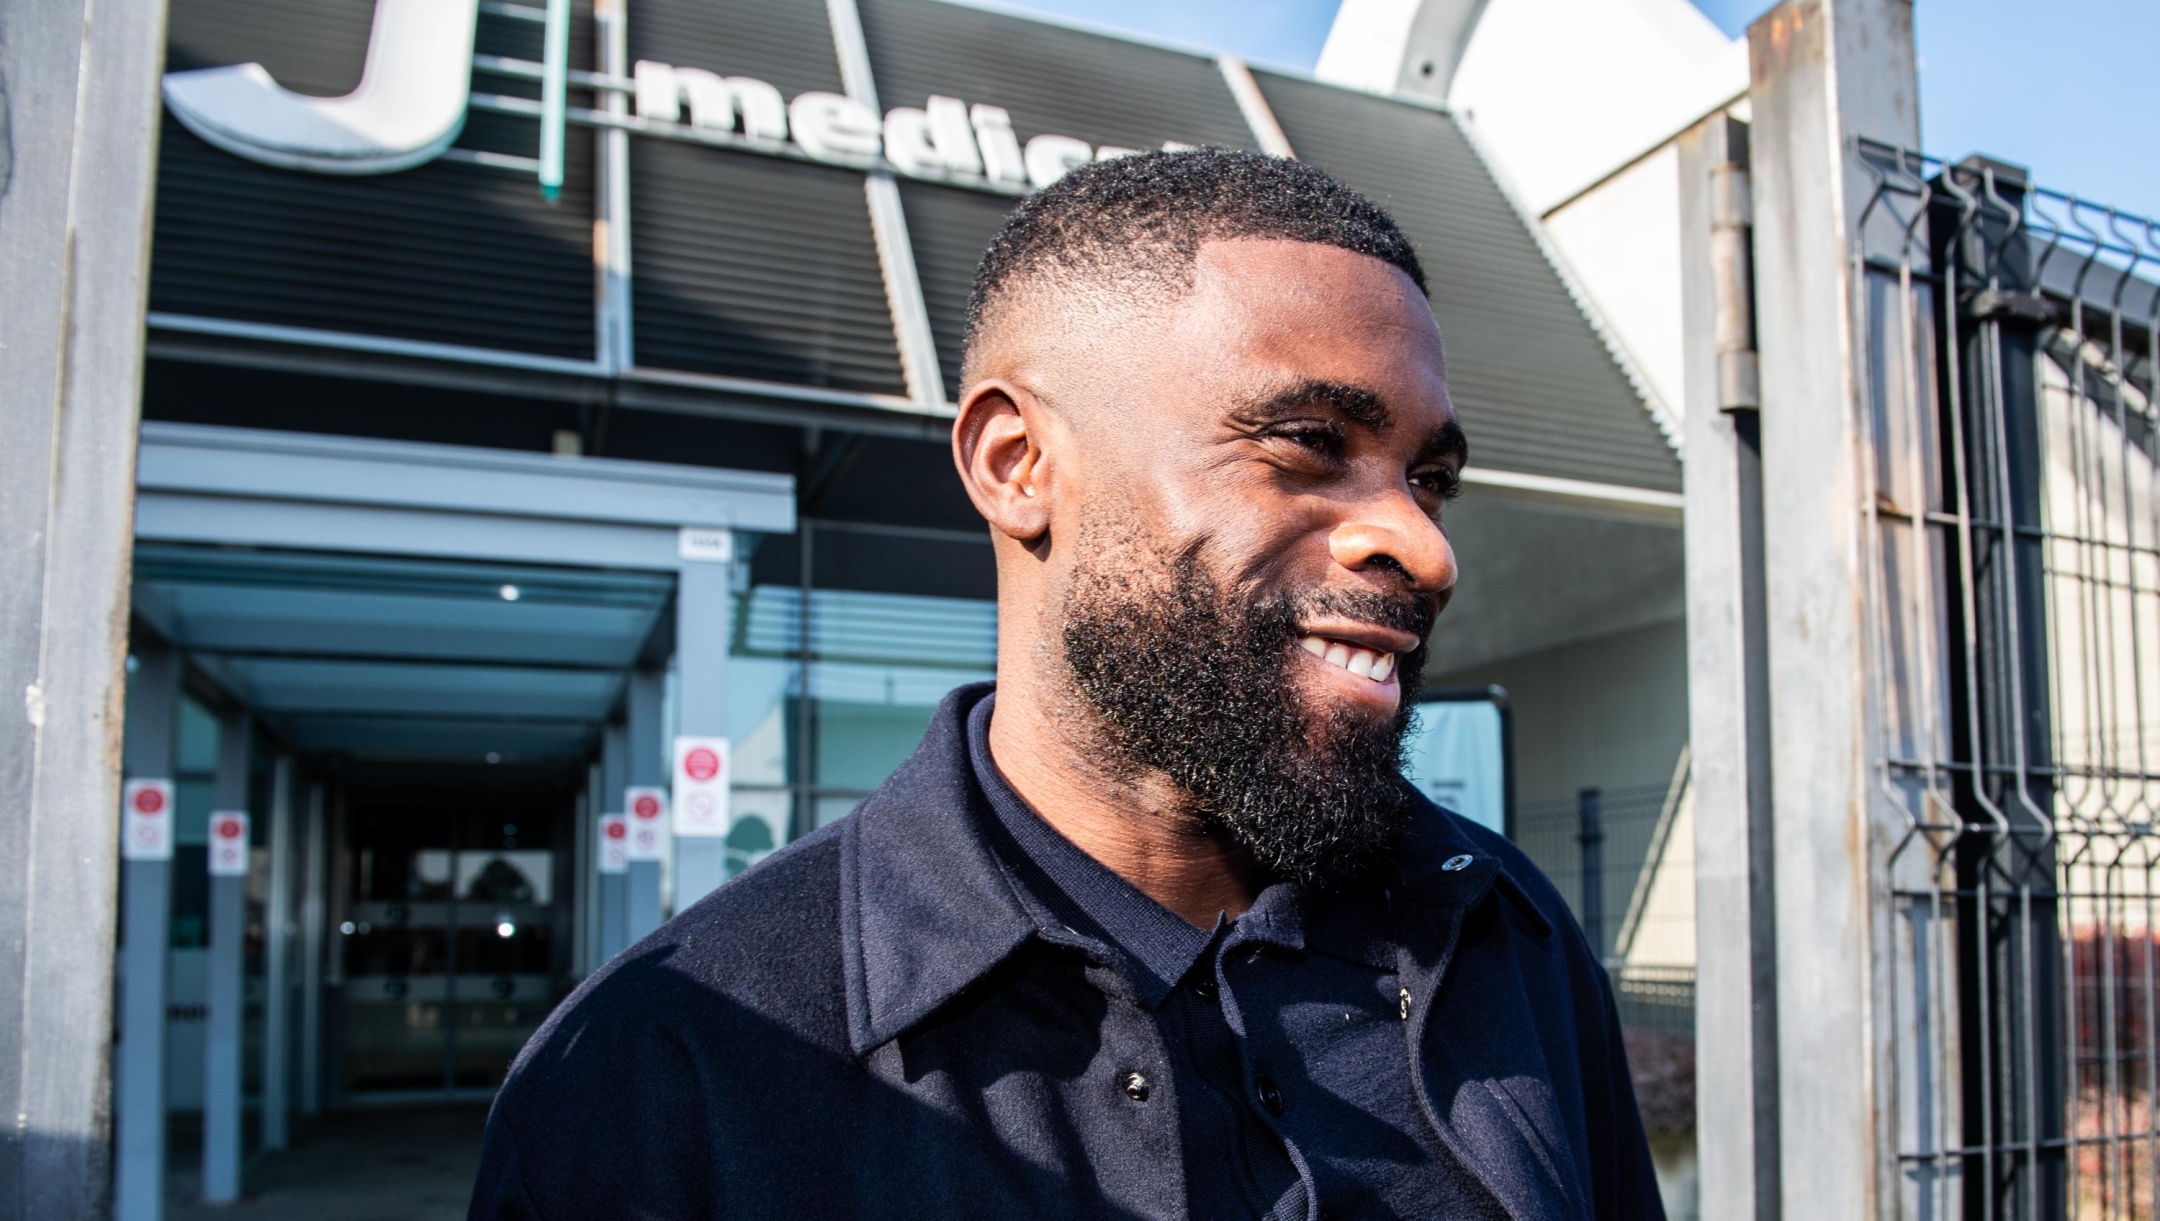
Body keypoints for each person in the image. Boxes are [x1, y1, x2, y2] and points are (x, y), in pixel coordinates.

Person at [468, 148, 1663, 1220]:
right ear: (1018, 463)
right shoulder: (670, 1071)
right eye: (1307, 442)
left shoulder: (1502, 929)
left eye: (1429, 478)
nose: (1424, 545)